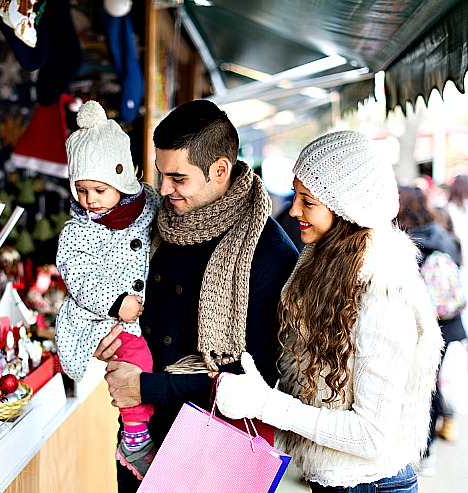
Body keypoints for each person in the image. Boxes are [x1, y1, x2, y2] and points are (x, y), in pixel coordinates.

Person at [216, 130, 444, 493]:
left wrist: (264, 404)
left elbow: (371, 435)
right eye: (296, 195)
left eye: (308, 201)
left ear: (345, 209)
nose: (293, 210)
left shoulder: (383, 292)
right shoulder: (324, 266)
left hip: (372, 485)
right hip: (336, 480)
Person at [94, 99, 299, 491]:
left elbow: (259, 379)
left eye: (178, 178)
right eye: (160, 175)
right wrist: (110, 332)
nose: (164, 189)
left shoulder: (269, 252)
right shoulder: (157, 224)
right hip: (139, 437)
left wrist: (145, 386)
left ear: (220, 170)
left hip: (215, 449)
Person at [54, 100, 161, 481]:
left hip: (138, 313)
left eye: (100, 189)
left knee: (143, 363)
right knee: (135, 364)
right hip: (98, 317)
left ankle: (138, 432)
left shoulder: (148, 205)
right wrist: (116, 303)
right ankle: (134, 438)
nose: (90, 200)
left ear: (123, 179)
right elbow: (78, 277)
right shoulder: (78, 230)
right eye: (81, 190)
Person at [397, 185, 466, 474]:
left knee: (418, 384)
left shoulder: (404, 239)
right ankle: (427, 452)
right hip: (449, 324)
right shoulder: (443, 235)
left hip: (419, 324)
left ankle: (421, 446)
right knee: (432, 382)